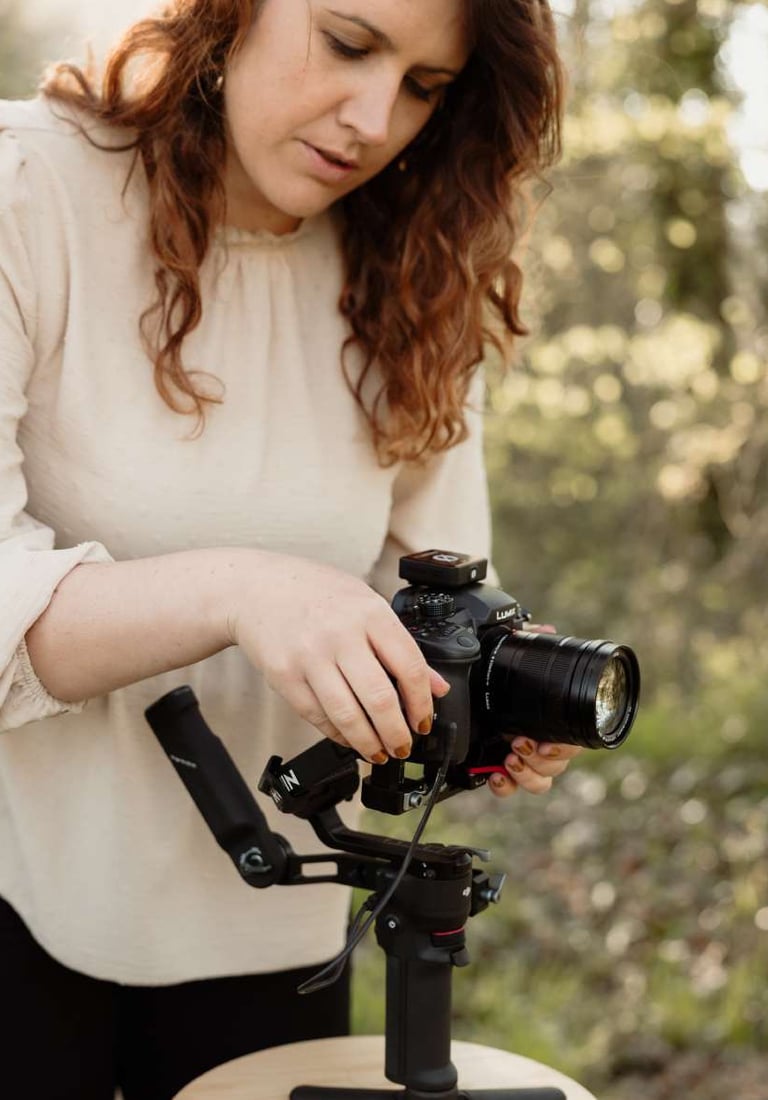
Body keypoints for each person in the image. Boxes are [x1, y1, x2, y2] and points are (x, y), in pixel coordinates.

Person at [0, 1, 580, 1096]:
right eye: (349, 43)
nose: (373, 118)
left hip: (283, 935)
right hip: (23, 908)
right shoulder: (28, 191)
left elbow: (436, 591)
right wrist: (241, 590)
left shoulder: (418, 273)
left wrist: (492, 696)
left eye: (425, 87)